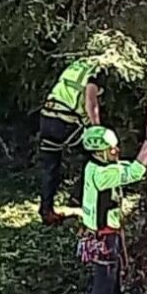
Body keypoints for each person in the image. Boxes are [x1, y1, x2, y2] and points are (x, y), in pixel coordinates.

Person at [79, 125, 147, 294]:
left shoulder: (102, 166)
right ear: (99, 151)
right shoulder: (101, 174)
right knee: (101, 286)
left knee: (114, 272)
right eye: (110, 148)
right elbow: (133, 171)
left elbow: (127, 167)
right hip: (103, 235)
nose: (115, 151)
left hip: (109, 231)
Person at [39, 59, 104, 226]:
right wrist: (98, 131)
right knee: (96, 157)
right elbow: (91, 102)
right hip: (65, 122)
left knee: (50, 166)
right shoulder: (96, 72)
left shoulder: (78, 64)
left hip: (47, 117)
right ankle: (78, 199)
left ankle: (47, 211)